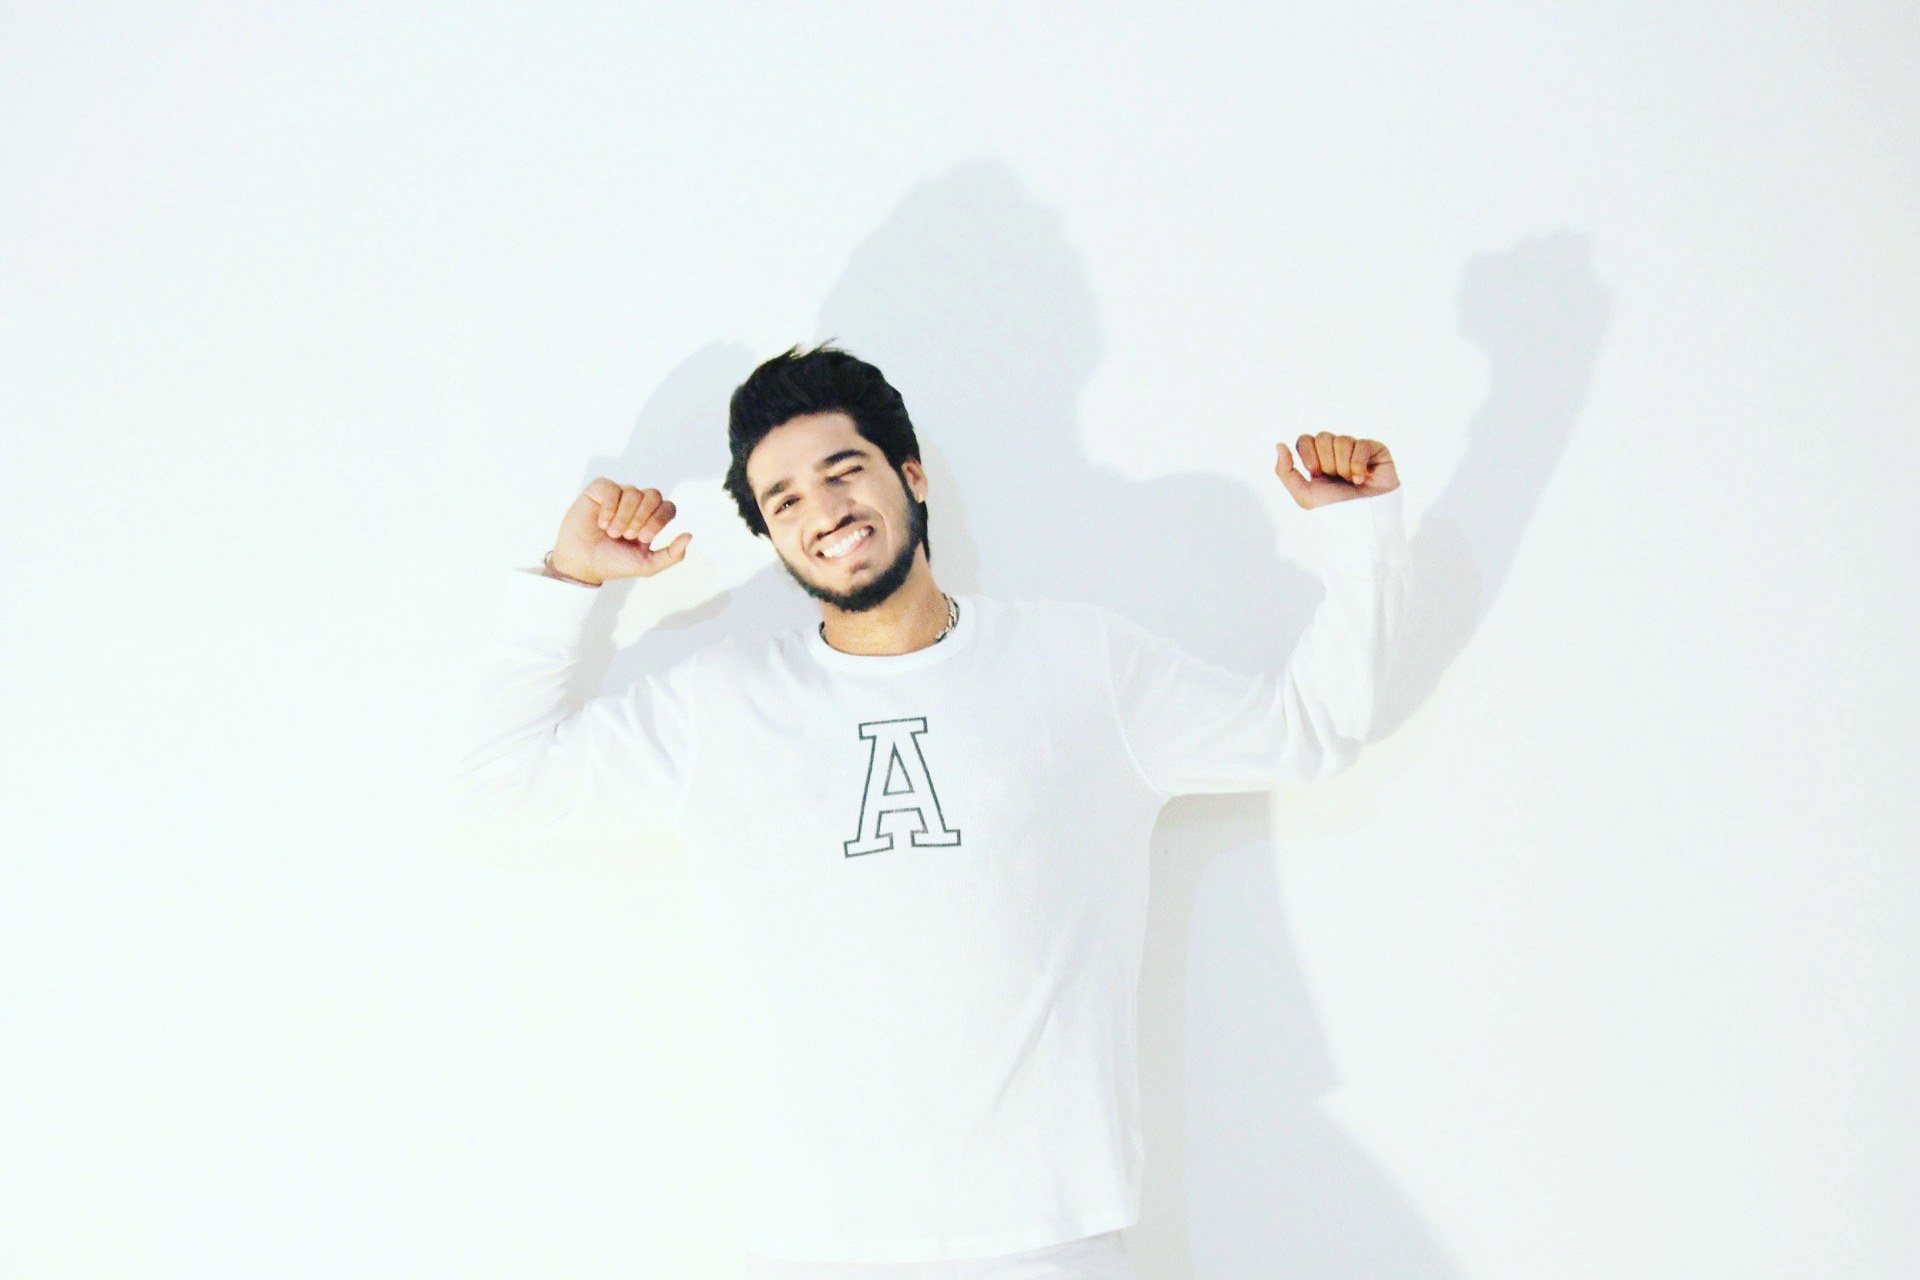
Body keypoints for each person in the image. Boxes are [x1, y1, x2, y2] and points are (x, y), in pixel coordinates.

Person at [453, 342, 1411, 1278]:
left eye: (844, 471)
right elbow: (502, 783)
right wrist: (569, 579)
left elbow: (1311, 731)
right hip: (815, 1245)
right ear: (772, 536)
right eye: (786, 500)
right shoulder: (721, 706)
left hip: (1051, 1237)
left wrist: (1359, 533)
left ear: (910, 475)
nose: (825, 511)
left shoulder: (1080, 667)